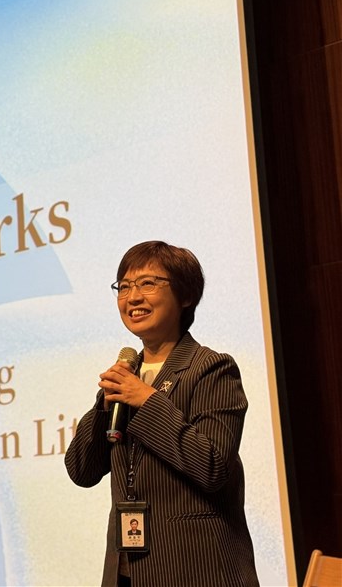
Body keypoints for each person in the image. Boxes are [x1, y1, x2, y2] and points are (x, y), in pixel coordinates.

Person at [64, 241, 259, 586]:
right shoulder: (128, 374)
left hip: (197, 570)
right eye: (123, 287)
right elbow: (82, 470)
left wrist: (148, 401)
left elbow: (213, 466)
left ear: (185, 296)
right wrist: (102, 405)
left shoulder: (211, 368)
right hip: (127, 570)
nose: (132, 297)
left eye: (147, 284)